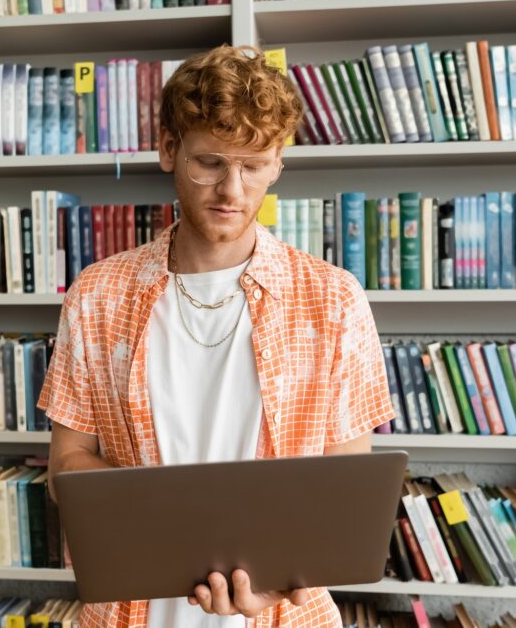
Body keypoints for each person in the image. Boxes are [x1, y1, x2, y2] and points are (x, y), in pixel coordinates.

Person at [37, 45, 395, 627]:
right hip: (127, 613)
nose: (232, 190)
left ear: (278, 163)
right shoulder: (96, 295)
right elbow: (66, 467)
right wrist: (168, 514)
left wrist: (278, 581)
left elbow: (344, 494)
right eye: (210, 162)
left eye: (253, 167)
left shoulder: (334, 299)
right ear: (168, 149)